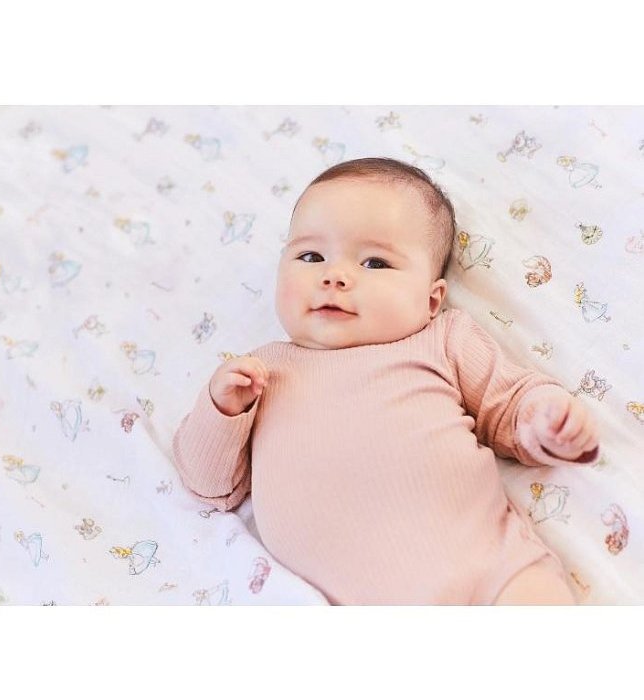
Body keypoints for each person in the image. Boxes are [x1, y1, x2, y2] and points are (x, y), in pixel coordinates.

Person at [173, 157, 600, 605]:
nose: (334, 276)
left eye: (375, 262)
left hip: (491, 573)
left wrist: (545, 419)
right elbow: (210, 486)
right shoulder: (262, 372)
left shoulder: (441, 340)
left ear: (431, 300)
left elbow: (508, 401)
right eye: (311, 256)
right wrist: (221, 411)